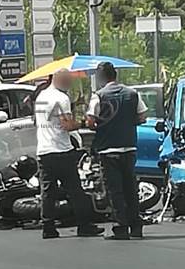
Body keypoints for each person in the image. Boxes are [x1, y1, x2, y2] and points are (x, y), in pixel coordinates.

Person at [35, 69, 104, 239]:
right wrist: (82, 122)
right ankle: (84, 225)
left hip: (44, 150)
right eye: (67, 81)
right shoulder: (61, 98)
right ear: (59, 79)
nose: (69, 84)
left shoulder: (41, 96)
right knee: (75, 191)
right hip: (61, 150)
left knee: (48, 192)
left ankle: (48, 227)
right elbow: (67, 125)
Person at [86, 62, 148, 240]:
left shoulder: (98, 96)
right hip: (128, 147)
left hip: (108, 149)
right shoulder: (132, 93)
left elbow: (90, 121)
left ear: (101, 78)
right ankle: (136, 227)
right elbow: (142, 116)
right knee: (130, 189)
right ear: (115, 75)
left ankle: (121, 228)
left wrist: (103, 124)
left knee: (115, 191)